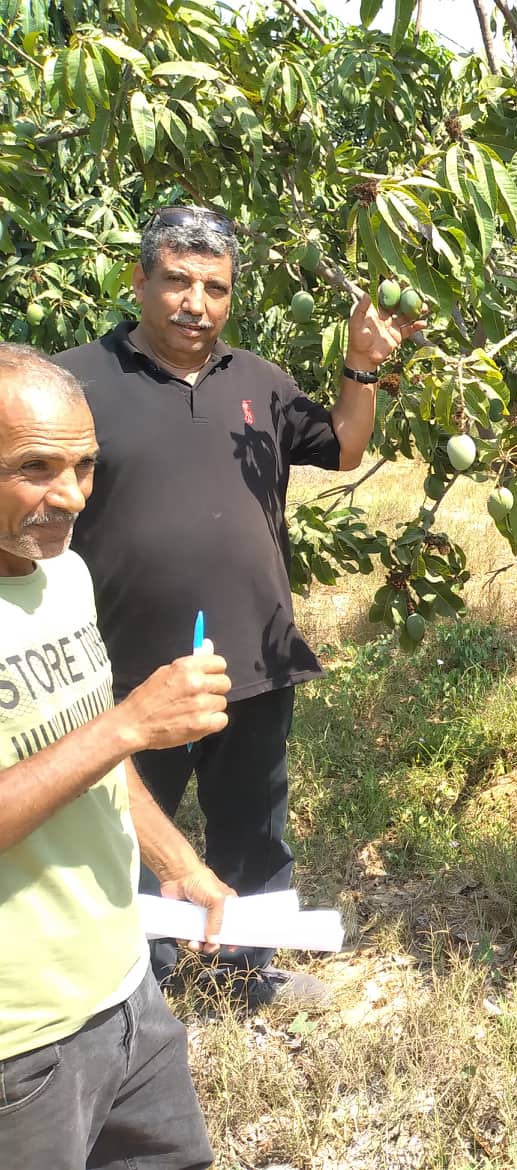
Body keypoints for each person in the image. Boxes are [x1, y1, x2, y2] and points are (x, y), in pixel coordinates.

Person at [54, 205, 421, 1008]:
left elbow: (344, 446)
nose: (196, 304)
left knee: (253, 826)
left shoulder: (258, 380)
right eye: (178, 282)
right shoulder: (75, 382)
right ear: (139, 282)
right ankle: (134, 992)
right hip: (126, 668)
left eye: (215, 288)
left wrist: (362, 366)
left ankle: (244, 973)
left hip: (252, 656)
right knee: (125, 832)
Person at [0, 344, 234, 1169]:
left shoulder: (62, 573)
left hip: (127, 992)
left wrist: (176, 861)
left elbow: (80, 739)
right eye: (34, 468)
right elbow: (107, 735)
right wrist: (130, 725)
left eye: (85, 466)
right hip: (20, 1045)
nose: (70, 496)